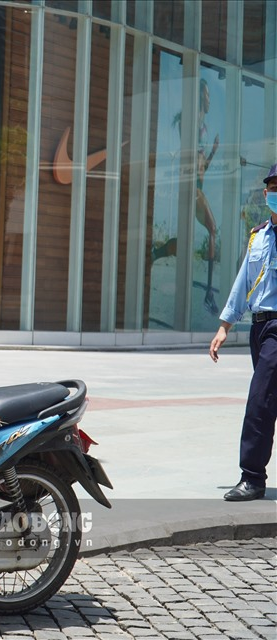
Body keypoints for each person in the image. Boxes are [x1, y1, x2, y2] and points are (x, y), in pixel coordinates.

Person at [209, 162, 277, 502]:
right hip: (260, 327)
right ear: (266, 195)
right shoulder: (257, 236)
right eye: (274, 188)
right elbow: (243, 283)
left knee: (260, 400)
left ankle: (252, 477)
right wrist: (225, 325)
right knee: (270, 399)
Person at [156, 79, 220, 314]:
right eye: (207, 95)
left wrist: (212, 152)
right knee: (212, 230)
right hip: (192, 188)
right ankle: (209, 293)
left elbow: (203, 167)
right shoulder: (192, 123)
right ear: (199, 97)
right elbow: (189, 158)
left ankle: (156, 253)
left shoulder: (201, 125)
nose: (209, 99)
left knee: (185, 241)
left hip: (197, 186)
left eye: (210, 96)